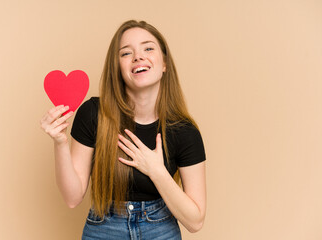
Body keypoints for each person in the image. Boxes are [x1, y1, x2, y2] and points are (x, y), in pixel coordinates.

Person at [40, 20, 206, 240]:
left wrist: (157, 171)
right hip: (103, 229)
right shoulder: (92, 114)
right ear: (117, 68)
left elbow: (195, 221)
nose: (138, 56)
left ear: (164, 63)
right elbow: (72, 198)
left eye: (148, 48)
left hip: (161, 230)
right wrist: (60, 142)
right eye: (126, 53)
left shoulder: (184, 131)